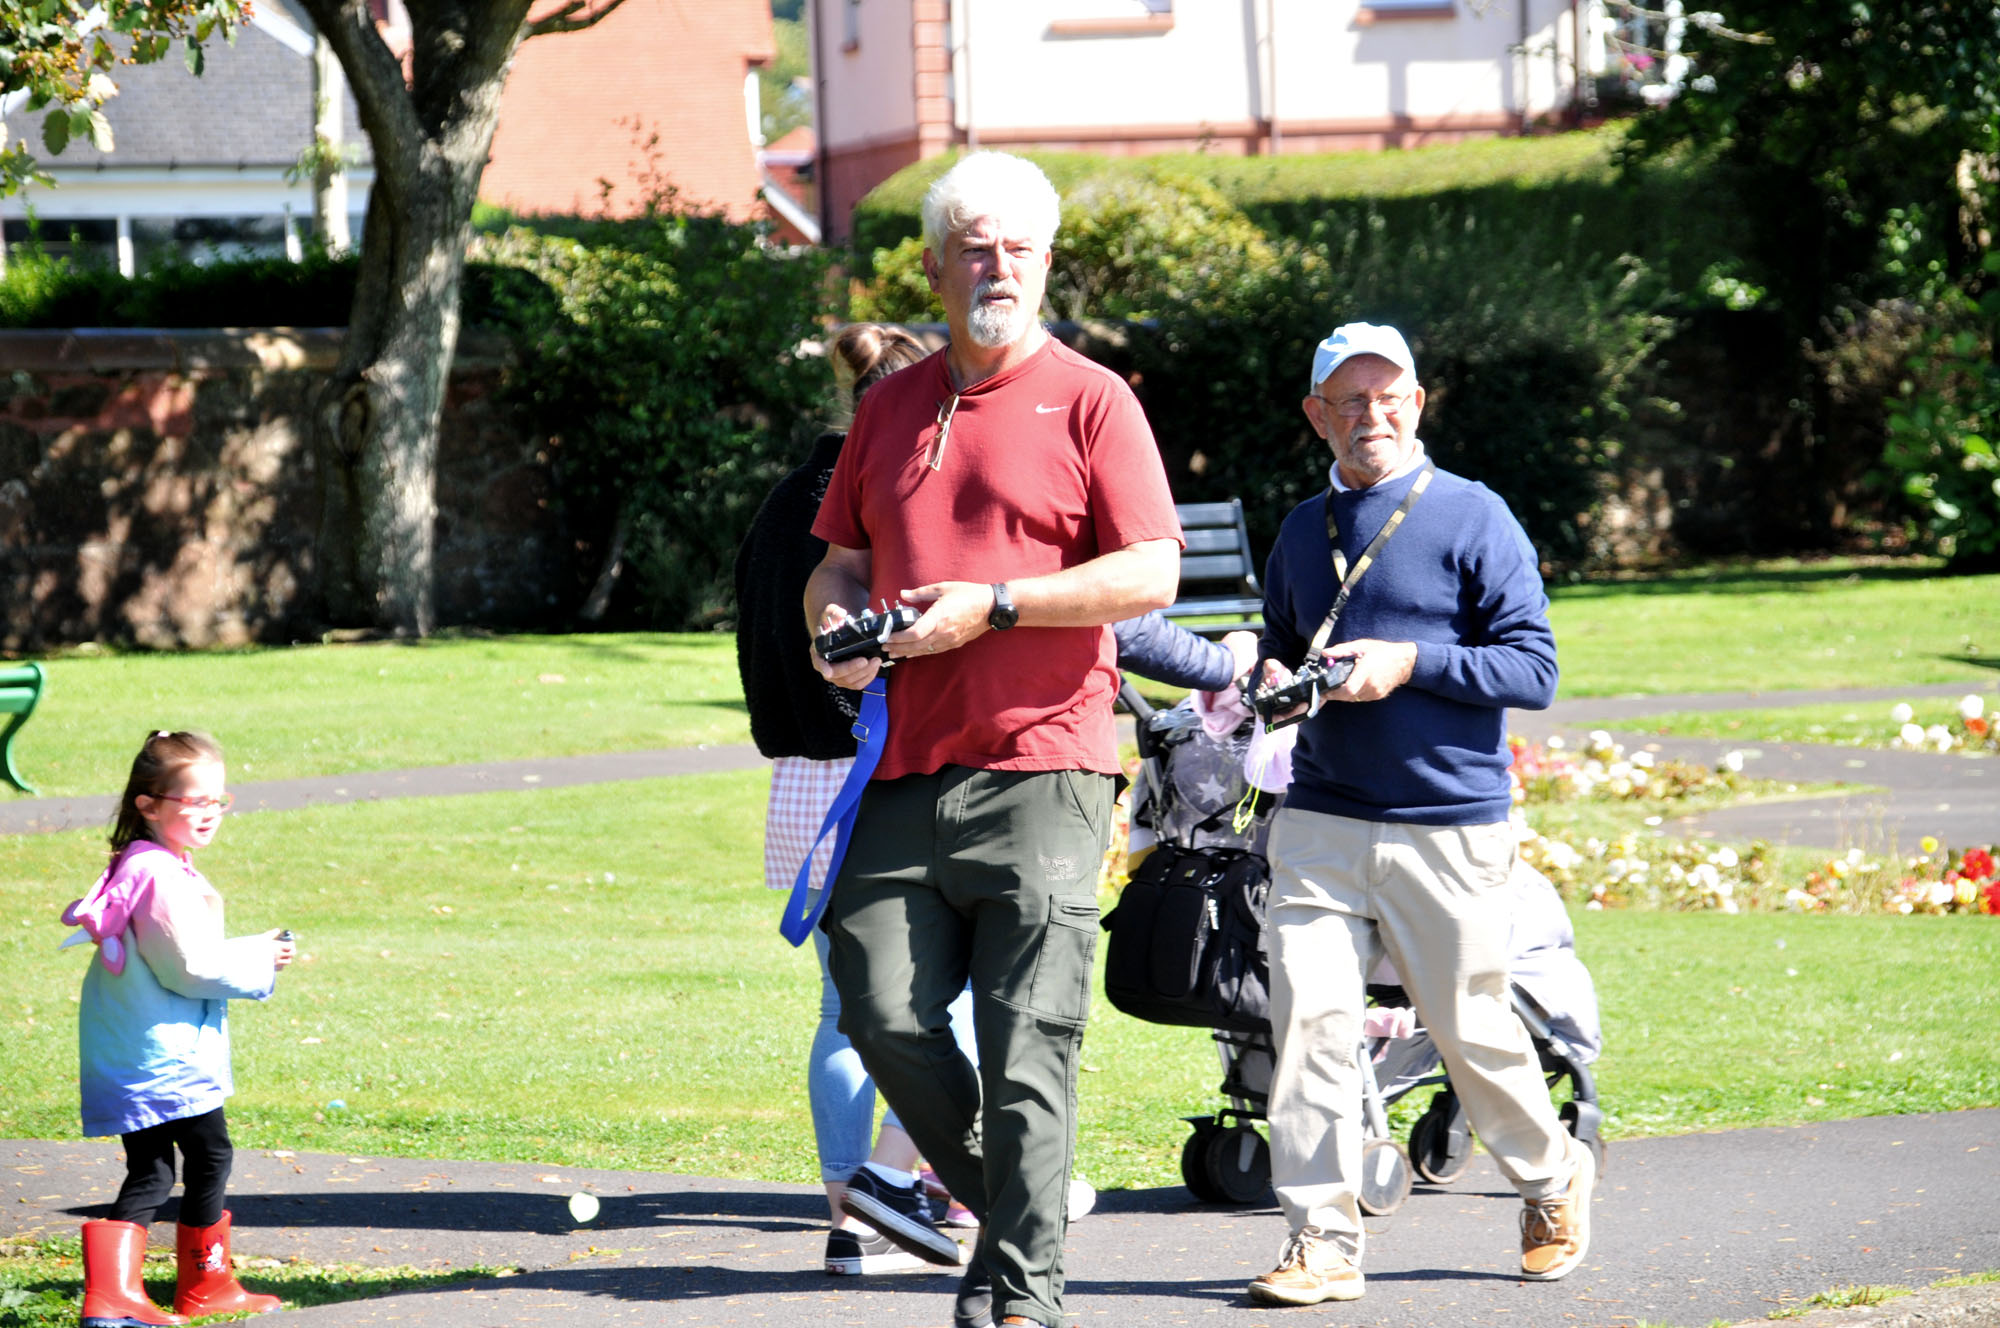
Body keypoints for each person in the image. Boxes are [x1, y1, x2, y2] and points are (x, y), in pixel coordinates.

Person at [804, 151, 1182, 1328]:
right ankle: (1025, 1215)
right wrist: (834, 632)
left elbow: (1152, 568)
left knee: (1029, 1046)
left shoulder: (1091, 398)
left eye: (1018, 246)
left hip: (1049, 761)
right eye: (974, 244)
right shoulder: (888, 406)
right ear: (933, 264)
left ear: (1046, 261)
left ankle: (1023, 1293)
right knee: (875, 1007)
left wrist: (1000, 602)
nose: (997, 265)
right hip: (908, 765)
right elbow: (840, 562)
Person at [1246, 322, 1591, 1306]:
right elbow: (1280, 641)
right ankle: (1320, 1240)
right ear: (1316, 415)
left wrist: (1408, 662)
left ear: (1417, 402)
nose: (1370, 415)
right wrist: (1276, 676)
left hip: (1447, 819)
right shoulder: (1298, 528)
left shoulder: (1473, 516)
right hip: (1319, 814)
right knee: (1307, 1023)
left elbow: (1531, 669)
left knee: (1466, 1026)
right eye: (1347, 400)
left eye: (1387, 395)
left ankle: (1549, 1173)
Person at [735, 322, 982, 1275]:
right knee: (939, 999)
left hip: (799, 776)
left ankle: (853, 1197)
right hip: (879, 769)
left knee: (845, 1010)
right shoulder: (891, 504)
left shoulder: (778, 504)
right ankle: (924, 1185)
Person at [58, 730, 294, 1325]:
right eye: (194, 801)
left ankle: (141, 1294)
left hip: (136, 1050)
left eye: (218, 800)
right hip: (163, 1056)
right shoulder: (160, 874)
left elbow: (171, 952)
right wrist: (260, 960)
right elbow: (186, 968)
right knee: (206, 1156)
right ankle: (180, 1288)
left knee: (159, 1166)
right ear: (148, 802)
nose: (209, 813)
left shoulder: (146, 864)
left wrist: (246, 946)